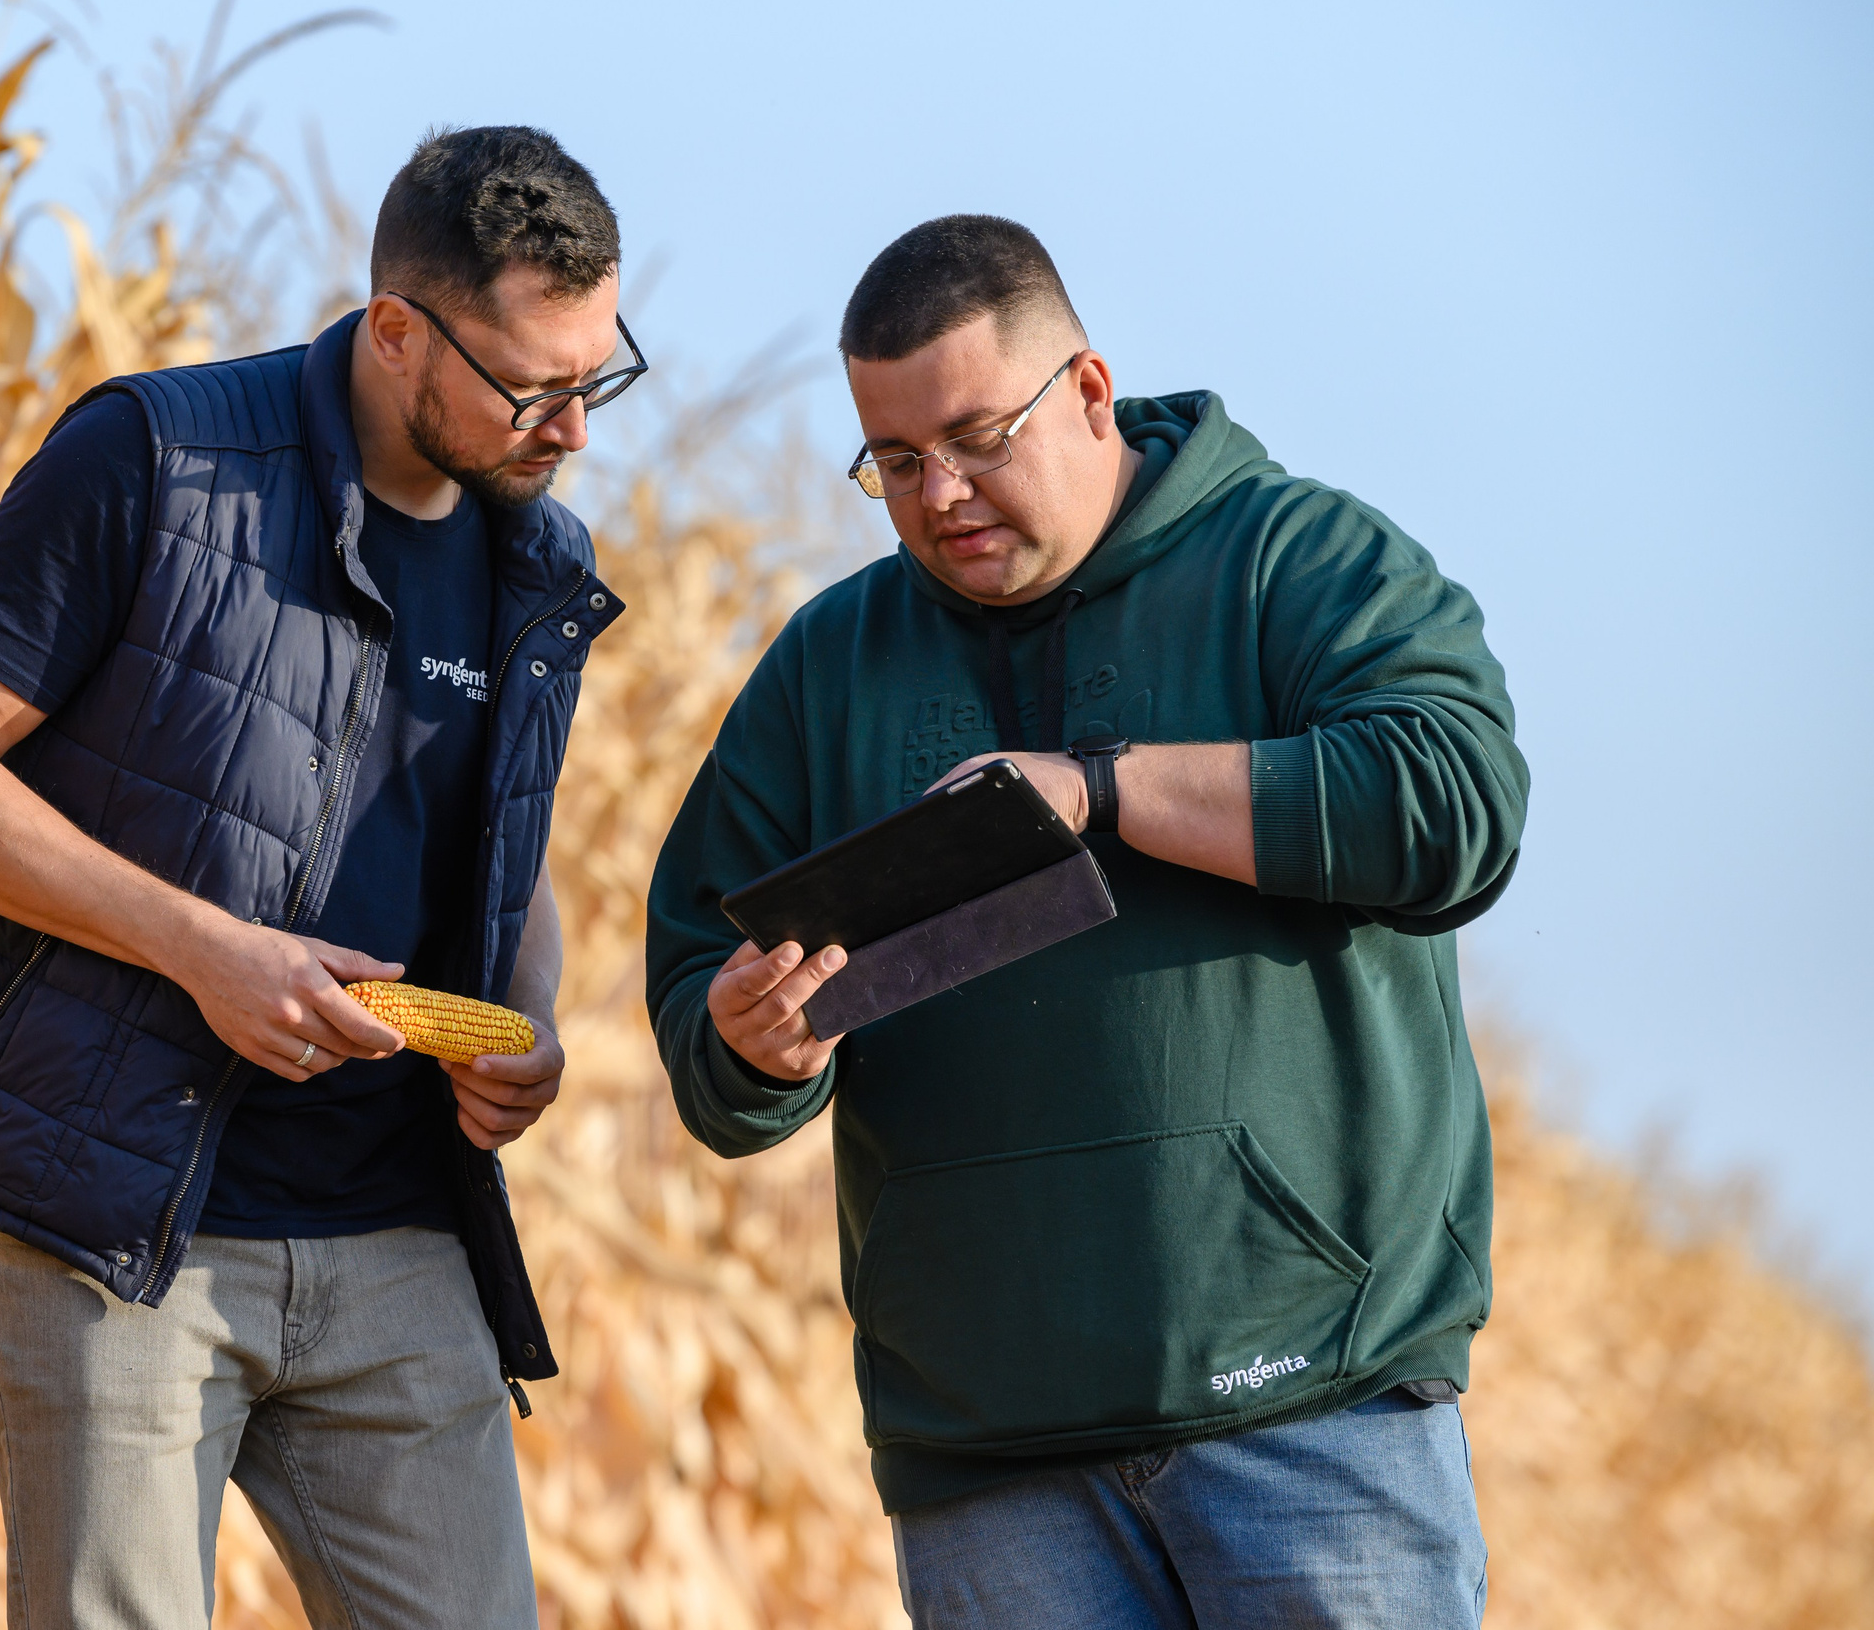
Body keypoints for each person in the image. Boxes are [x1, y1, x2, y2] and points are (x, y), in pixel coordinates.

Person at [645, 214, 1524, 1629]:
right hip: (989, 1462)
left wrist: (1099, 793)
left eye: (980, 437)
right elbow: (702, 995)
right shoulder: (829, 668)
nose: (940, 494)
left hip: (1315, 1408)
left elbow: (1452, 802)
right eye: (896, 462)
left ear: (1092, 393)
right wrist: (751, 1049)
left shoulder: (1293, 561)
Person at [0, 125, 639, 1630]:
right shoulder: (154, 457)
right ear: (396, 330)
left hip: (400, 1235)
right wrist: (206, 951)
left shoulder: (538, 563)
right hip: (119, 1224)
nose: (573, 426)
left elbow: (500, 849)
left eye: (602, 374)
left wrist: (521, 1026)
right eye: (535, 386)